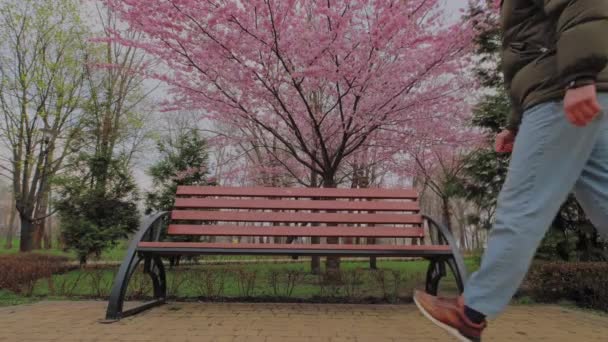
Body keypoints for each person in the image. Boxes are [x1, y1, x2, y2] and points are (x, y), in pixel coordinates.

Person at [413, 0, 608, 341]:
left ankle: (471, 312)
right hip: (574, 93)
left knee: (522, 208)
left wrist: (579, 76)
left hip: (561, 93)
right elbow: (531, 49)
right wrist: (516, 124)